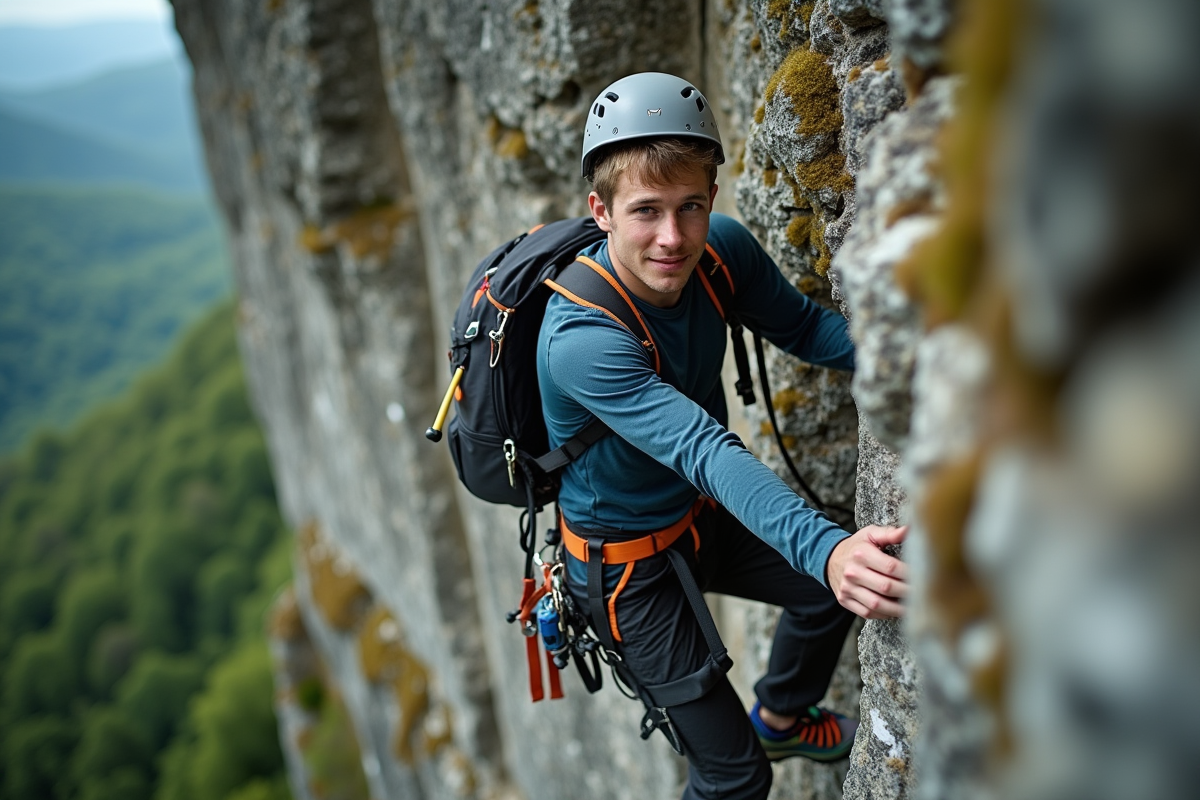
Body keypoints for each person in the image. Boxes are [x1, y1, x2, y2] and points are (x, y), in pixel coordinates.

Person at [537, 72, 908, 800]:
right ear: (600, 211)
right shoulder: (580, 339)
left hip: (693, 518)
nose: (672, 238)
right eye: (645, 211)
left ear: (711, 199)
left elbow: (803, 326)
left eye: (691, 207)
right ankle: (759, 740)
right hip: (626, 570)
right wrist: (827, 551)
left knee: (829, 590)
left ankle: (781, 712)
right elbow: (703, 449)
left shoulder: (721, 255)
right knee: (734, 780)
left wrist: (904, 355)